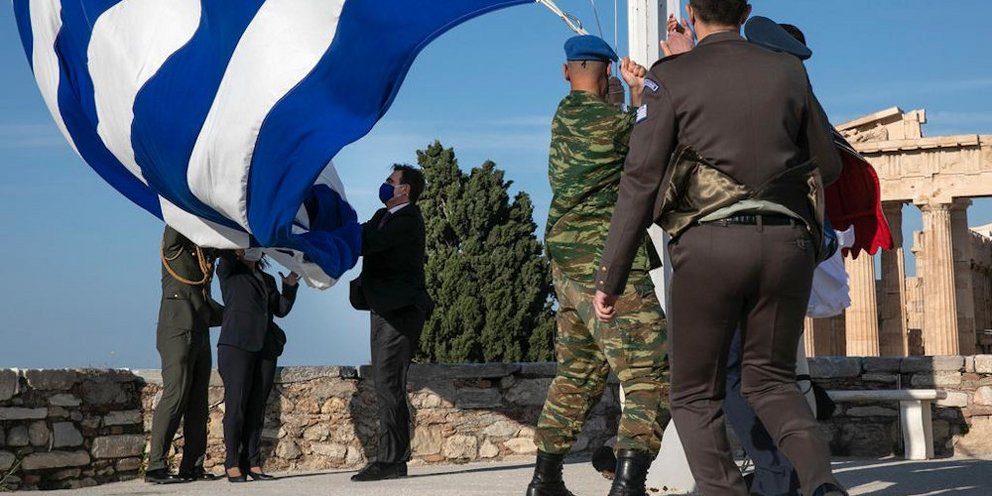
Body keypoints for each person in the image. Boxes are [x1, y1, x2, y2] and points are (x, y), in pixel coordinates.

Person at [592, 0, 847, 495]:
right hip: (787, 245)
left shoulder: (671, 77)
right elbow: (828, 164)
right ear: (746, 11)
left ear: (690, 12)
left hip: (710, 246)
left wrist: (611, 275)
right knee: (772, 382)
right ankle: (822, 485)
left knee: (692, 394)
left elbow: (640, 180)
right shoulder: (788, 71)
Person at [526, 35, 670, 496]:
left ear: (565, 72)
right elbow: (648, 142)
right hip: (608, 265)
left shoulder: (563, 116)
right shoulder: (614, 123)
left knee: (577, 374)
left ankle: (545, 479)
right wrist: (640, 88)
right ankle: (628, 485)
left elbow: (625, 133)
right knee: (652, 374)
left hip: (566, 267)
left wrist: (626, 98)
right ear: (608, 73)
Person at [351, 165, 431, 482]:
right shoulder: (381, 216)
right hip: (383, 309)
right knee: (385, 383)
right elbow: (361, 235)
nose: (385, 185)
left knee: (389, 384)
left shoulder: (408, 220)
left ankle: (391, 460)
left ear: (404, 190)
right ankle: (391, 458)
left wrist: (339, 232)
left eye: (391, 181)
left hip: (401, 313)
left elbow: (369, 241)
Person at [146, 225, 223, 484]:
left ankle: (192, 466)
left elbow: (226, 242)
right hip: (177, 330)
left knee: (198, 403)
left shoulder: (205, 253)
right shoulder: (174, 247)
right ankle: (156, 466)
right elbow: (175, 220)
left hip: (200, 330)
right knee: (175, 395)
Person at [215, 248, 298, 482]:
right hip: (236, 345)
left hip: (265, 347)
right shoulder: (230, 271)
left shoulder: (267, 279)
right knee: (237, 405)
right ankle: (232, 462)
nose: (252, 249)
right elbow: (224, 250)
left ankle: (252, 462)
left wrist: (289, 286)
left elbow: (281, 310)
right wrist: (236, 246)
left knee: (257, 407)